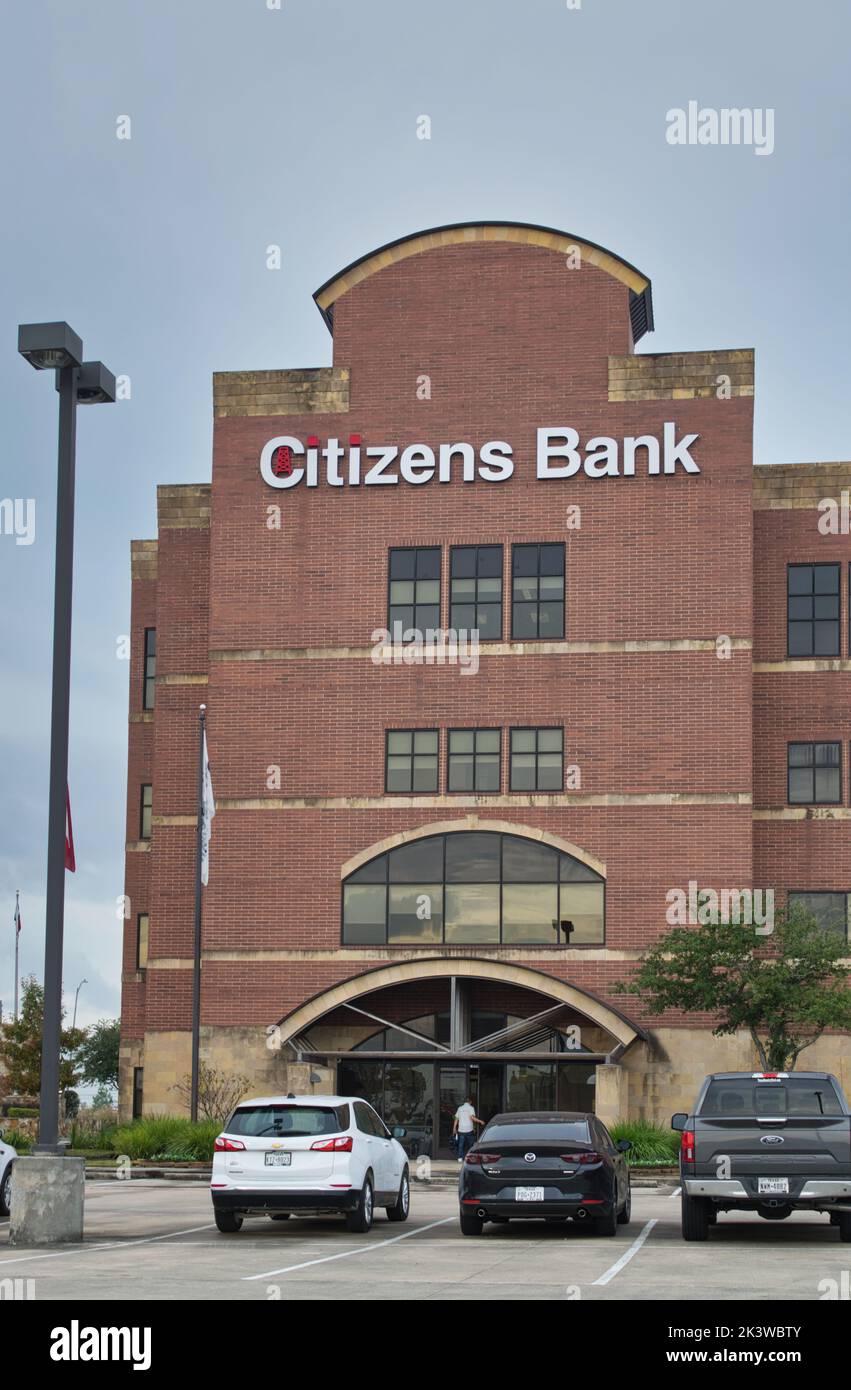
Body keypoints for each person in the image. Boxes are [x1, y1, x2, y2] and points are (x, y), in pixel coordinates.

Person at [452, 1094, 484, 1161]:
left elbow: (456, 1119)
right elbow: (472, 1118)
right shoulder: (471, 1108)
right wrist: (480, 1121)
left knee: (461, 1145)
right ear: (470, 1102)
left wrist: (454, 1128)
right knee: (471, 1145)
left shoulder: (460, 1108)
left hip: (461, 1129)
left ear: (464, 1102)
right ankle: (472, 1157)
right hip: (469, 1129)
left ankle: (460, 1158)